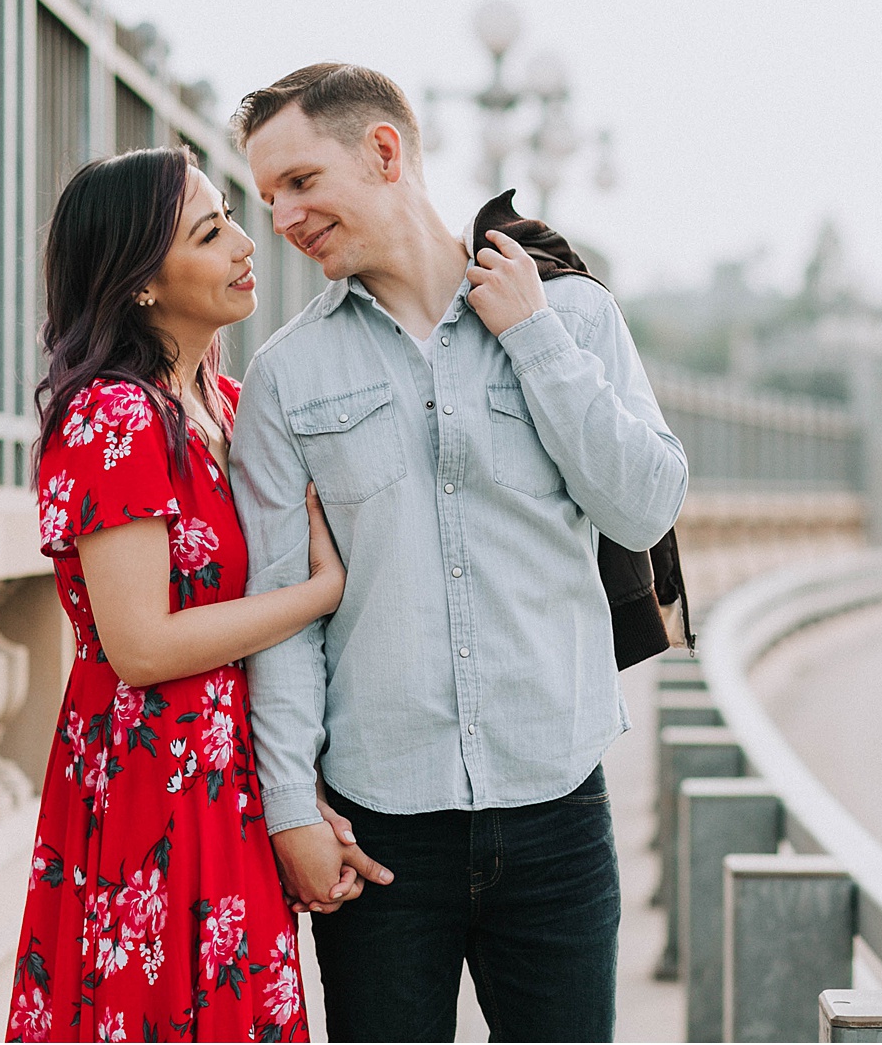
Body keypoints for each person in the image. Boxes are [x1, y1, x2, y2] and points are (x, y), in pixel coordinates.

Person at [228, 63, 689, 1042]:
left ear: (385, 151)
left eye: (302, 182)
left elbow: (643, 508)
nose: (283, 216)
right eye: (267, 197)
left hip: (559, 808)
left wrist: (533, 341)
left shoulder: (572, 319)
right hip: (378, 829)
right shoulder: (283, 379)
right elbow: (281, 609)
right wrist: (286, 809)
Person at [6, 146, 382, 1043]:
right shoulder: (116, 416)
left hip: (228, 777)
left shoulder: (229, 404)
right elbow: (138, 645)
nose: (247, 243)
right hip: (150, 783)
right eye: (210, 233)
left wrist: (299, 793)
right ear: (140, 282)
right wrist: (317, 592)